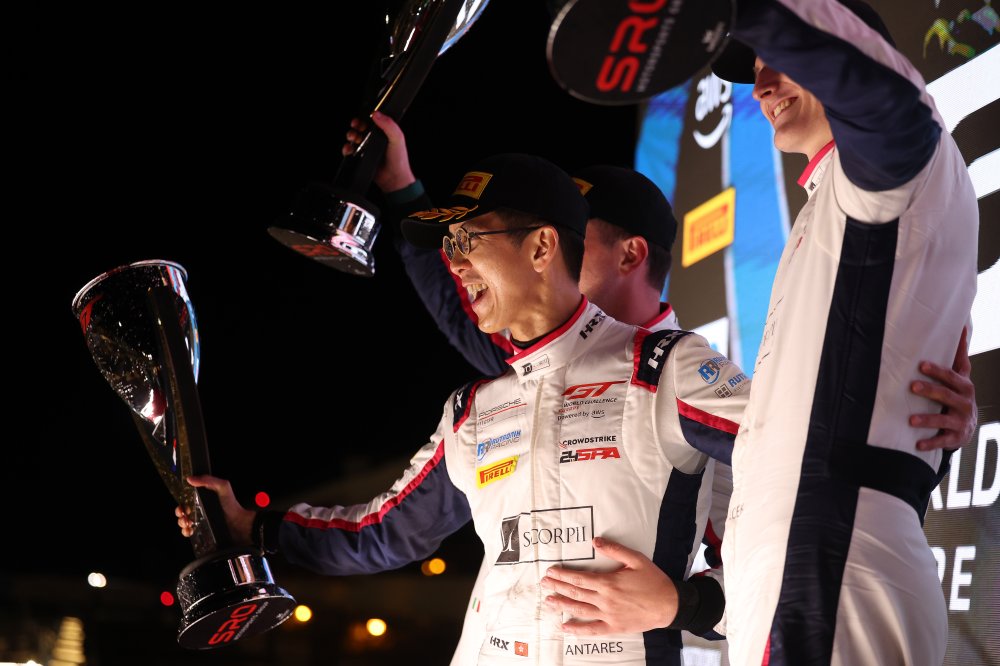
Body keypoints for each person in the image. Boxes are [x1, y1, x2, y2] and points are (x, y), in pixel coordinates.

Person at [344, 109, 979, 661]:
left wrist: (682, 603)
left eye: (575, 233)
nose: (554, 248)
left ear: (628, 254)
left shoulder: (690, 385)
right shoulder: (531, 365)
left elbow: (804, 522)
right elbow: (461, 305)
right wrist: (401, 187)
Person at [178, 152, 749, 664]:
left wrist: (686, 604)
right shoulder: (473, 409)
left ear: (542, 247)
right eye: (449, 248)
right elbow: (385, 532)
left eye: (467, 242)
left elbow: (798, 489)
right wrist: (254, 526)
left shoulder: (665, 368)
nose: (455, 265)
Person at [707, 1, 980, 664]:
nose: (762, 86)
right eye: (757, 69)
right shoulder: (840, 195)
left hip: (828, 552)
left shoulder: (893, 158)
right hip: (818, 554)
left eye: (780, 59)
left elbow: (886, 99)